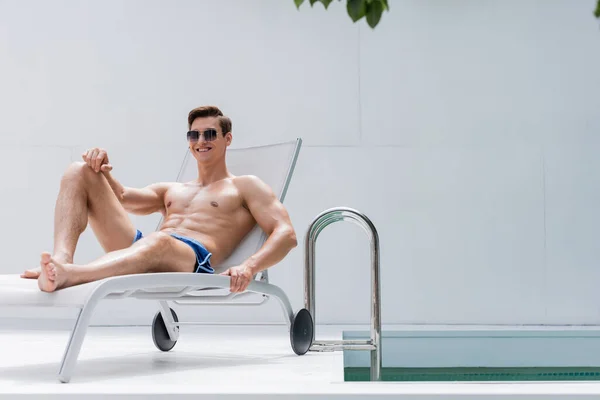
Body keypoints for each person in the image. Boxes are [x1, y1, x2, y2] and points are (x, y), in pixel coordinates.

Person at [21, 106, 298, 293]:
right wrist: (101, 167)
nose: (201, 140)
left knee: (160, 240)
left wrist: (249, 266)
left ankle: (71, 275)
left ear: (228, 139)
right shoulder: (173, 189)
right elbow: (123, 198)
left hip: (194, 261)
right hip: (146, 249)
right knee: (78, 171)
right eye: (194, 134)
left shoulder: (246, 186)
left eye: (210, 134)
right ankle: (60, 259)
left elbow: (286, 233)